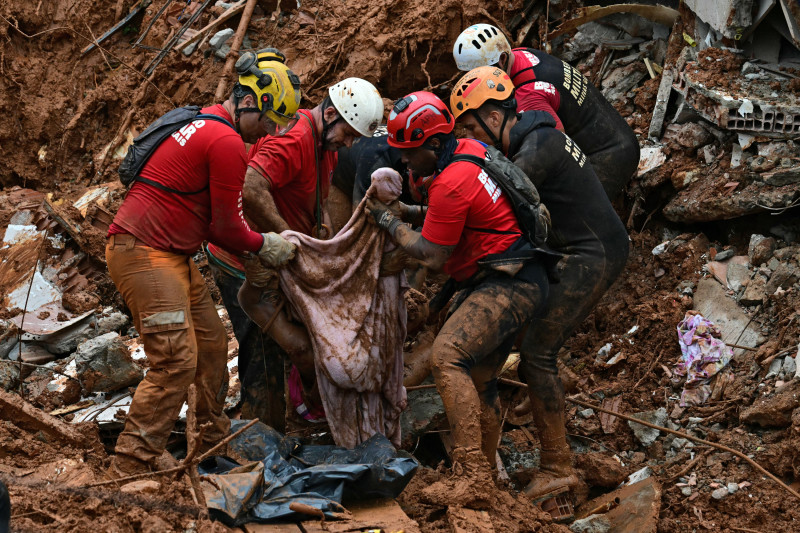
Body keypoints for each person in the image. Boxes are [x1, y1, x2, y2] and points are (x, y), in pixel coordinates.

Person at [104, 51, 300, 478]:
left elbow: (206, 218)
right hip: (146, 252)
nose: (266, 134)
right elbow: (228, 228)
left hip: (165, 251)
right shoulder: (226, 140)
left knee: (211, 347)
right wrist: (263, 244)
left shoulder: (203, 122)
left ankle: (211, 440)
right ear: (250, 100)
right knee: (175, 360)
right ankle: (131, 463)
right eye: (266, 123)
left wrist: (252, 244)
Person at [450, 66, 630, 520]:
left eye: (473, 128)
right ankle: (548, 400)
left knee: (537, 352)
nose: (475, 139)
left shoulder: (538, 147)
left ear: (495, 114)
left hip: (592, 254)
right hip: (572, 250)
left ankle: (557, 465)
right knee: (530, 344)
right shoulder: (533, 135)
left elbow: (494, 199)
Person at [366, 91, 550, 509]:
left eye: (410, 154)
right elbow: (445, 218)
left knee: (447, 356)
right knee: (481, 379)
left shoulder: (451, 180)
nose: (405, 163)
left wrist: (388, 221)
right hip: (517, 273)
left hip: (509, 282)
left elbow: (432, 253)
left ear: (432, 144)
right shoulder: (469, 151)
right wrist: (407, 216)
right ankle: (485, 481)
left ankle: (471, 474)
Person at [209, 78, 384, 422]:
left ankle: (287, 419)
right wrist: (286, 236)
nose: (348, 144)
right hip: (241, 259)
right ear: (330, 114)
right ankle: (261, 440)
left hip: (274, 258)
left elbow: (314, 200)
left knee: (288, 343)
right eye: (347, 134)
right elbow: (251, 187)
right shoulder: (295, 139)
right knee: (264, 355)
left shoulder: (323, 145)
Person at [453, 23, 640, 200]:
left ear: (501, 60)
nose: (478, 81)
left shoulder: (527, 92)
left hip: (609, 158)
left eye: (482, 74)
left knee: (569, 218)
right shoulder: (521, 56)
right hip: (618, 136)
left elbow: (553, 148)